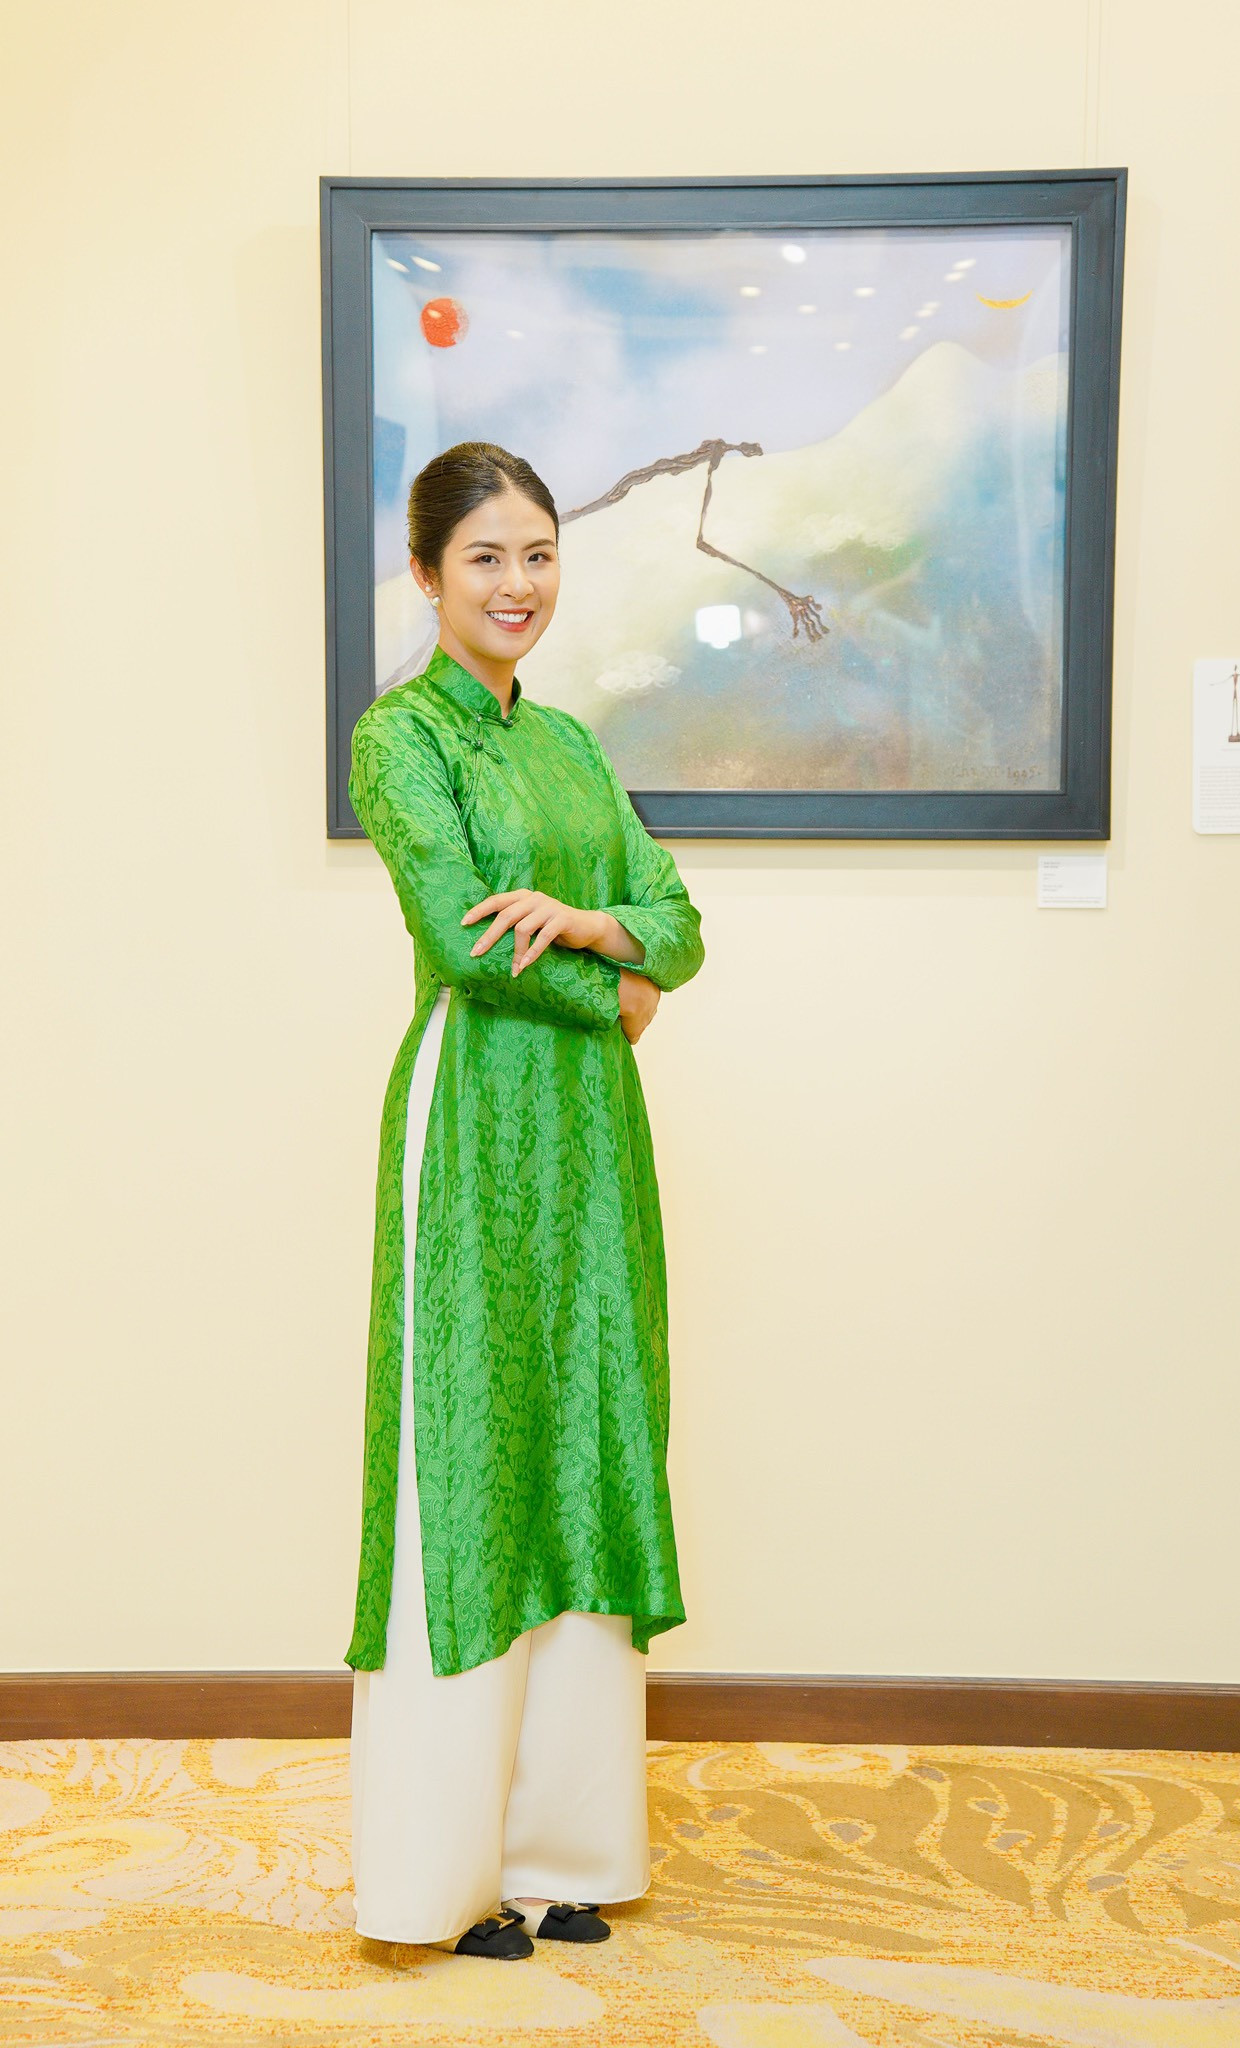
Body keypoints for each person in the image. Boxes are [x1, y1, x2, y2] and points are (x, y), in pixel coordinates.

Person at [345, 440, 705, 1959]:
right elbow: (457, 930)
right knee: (469, 1450)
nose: (518, 584)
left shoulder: (569, 744)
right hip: (475, 1115)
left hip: (590, 1133)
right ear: (427, 574)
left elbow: (678, 921)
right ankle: (442, 1877)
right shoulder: (399, 738)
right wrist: (612, 989)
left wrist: (599, 926)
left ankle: (564, 1856)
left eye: (540, 554)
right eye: (486, 557)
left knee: (584, 1432)